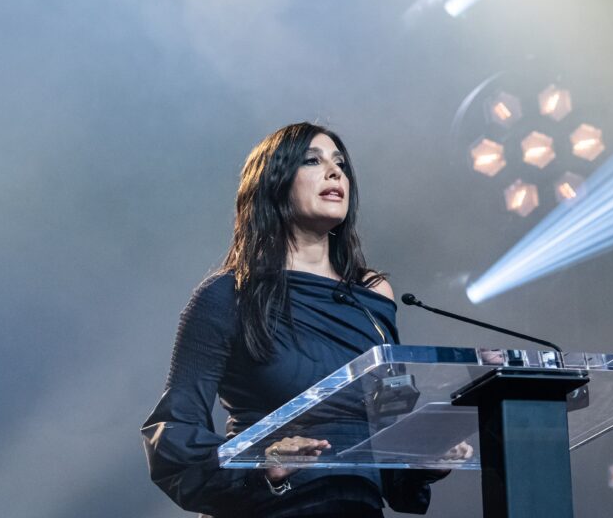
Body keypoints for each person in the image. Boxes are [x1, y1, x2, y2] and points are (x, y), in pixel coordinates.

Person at [141, 123, 449, 517]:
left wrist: (423, 461)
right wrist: (261, 463)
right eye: (313, 161)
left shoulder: (375, 294)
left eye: (340, 164)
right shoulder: (227, 295)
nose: (335, 172)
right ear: (274, 182)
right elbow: (173, 431)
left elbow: (389, 422)